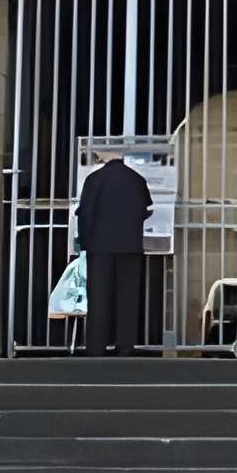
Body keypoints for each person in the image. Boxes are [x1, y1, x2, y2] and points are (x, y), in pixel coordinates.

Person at [74, 148, 153, 355]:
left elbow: (85, 214)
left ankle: (95, 346)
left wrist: (84, 243)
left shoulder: (94, 179)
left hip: (100, 247)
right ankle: (125, 346)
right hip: (131, 246)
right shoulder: (137, 179)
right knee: (128, 298)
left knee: (99, 298)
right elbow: (145, 210)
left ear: (102, 159)